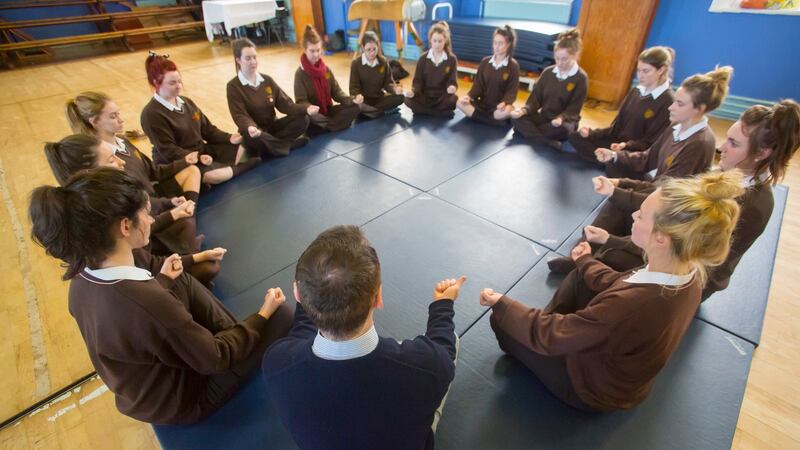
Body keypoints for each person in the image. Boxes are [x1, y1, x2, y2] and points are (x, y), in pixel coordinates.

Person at [28, 168, 293, 424]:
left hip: (143, 390)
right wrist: (263, 314)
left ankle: (236, 336)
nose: (152, 219)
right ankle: (243, 337)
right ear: (124, 226)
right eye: (146, 213)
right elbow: (215, 357)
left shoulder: (82, 276)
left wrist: (164, 280)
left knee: (181, 280)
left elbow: (137, 325)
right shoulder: (145, 301)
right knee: (282, 314)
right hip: (184, 400)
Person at [479, 171, 744, 411]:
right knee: (581, 276)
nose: (633, 216)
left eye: (640, 215)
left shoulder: (634, 304)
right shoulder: (689, 272)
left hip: (591, 390)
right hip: (621, 371)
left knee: (503, 321)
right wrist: (585, 262)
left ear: (661, 237)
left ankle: (552, 340)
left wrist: (502, 304)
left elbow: (552, 334)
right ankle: (562, 328)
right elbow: (619, 282)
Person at [560, 100, 800, 300]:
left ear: (762, 153)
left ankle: (585, 265)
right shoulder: (724, 173)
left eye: (734, 143)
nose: (722, 148)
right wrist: (624, 184)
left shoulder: (756, 205)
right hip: (672, 244)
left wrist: (615, 240)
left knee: (608, 261)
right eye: (727, 138)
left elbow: (693, 258)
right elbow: (669, 191)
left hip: (689, 274)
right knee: (619, 206)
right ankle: (584, 254)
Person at [263, 225, 461, 449]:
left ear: (297, 295)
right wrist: (442, 306)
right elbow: (444, 349)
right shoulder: (427, 365)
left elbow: (300, 335)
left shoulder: (276, 362)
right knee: (451, 338)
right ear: (378, 296)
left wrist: (313, 298)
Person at [42, 134, 223, 286]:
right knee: (204, 267)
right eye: (112, 160)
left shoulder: (110, 205)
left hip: (149, 261)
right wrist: (168, 277)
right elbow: (147, 269)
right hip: (151, 276)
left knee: (188, 231)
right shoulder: (109, 225)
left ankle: (189, 251)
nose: (121, 162)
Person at [140, 52, 261, 185]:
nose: (179, 86)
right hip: (181, 161)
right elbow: (168, 151)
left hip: (202, 151)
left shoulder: (187, 102)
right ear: (156, 83)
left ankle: (226, 170)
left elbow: (208, 130)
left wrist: (228, 138)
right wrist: (198, 158)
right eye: (172, 83)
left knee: (245, 144)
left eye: (179, 81)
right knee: (213, 174)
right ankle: (236, 169)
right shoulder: (151, 114)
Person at [594, 66, 733, 180]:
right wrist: (614, 155)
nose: (670, 107)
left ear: (700, 109)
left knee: (614, 196)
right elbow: (648, 158)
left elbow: (666, 193)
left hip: (666, 203)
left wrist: (620, 187)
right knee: (615, 164)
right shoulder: (676, 126)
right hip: (657, 188)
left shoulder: (699, 143)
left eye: (679, 104)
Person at [66, 91, 201, 203]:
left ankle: (188, 211)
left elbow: (154, 172)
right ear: (95, 122)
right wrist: (167, 204)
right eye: (113, 116)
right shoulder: (104, 159)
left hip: (153, 195)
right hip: (141, 206)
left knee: (192, 170)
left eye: (118, 113)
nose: (121, 119)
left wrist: (184, 161)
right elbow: (132, 200)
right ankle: (182, 219)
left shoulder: (123, 141)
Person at [567, 46, 675, 160]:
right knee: (576, 136)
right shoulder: (636, 91)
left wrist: (626, 145)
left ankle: (612, 160)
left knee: (618, 162)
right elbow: (616, 127)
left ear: (661, 70)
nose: (640, 75)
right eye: (638, 70)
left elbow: (651, 143)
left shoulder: (667, 100)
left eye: (646, 71)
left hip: (635, 151)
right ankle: (609, 159)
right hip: (617, 144)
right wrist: (592, 133)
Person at [226, 38, 311, 158]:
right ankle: (288, 145)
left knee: (303, 119)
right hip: (254, 132)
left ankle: (273, 147)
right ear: (238, 60)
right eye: (248, 58)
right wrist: (251, 127)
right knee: (254, 138)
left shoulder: (267, 80)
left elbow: (285, 104)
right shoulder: (233, 87)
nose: (253, 61)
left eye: (255, 57)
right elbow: (239, 115)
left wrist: (306, 108)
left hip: (272, 127)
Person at [510, 29, 588, 149]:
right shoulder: (548, 72)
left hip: (564, 122)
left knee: (562, 130)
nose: (560, 63)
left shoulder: (581, 78)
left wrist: (561, 118)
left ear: (575, 55)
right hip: (545, 117)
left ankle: (528, 134)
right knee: (516, 119)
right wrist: (523, 111)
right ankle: (547, 142)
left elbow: (574, 109)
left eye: (564, 59)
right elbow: (535, 100)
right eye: (557, 58)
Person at [294, 26, 361, 133]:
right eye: (312, 51)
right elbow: (301, 101)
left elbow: (337, 93)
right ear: (305, 50)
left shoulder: (326, 70)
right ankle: (333, 125)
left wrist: (352, 99)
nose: (316, 54)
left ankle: (326, 127)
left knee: (355, 107)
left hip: (328, 111)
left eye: (318, 50)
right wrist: (309, 108)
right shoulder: (300, 74)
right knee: (306, 119)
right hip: (314, 115)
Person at [456, 25, 520, 126]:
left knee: (508, 110)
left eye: (500, 43)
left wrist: (504, 103)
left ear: (508, 45)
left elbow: (511, 92)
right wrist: (468, 97)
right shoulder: (485, 62)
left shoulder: (513, 66)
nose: (497, 46)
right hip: (483, 105)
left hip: (499, 107)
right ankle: (491, 121)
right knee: (459, 102)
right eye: (495, 42)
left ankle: (480, 118)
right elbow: (478, 86)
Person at [404, 21, 459, 118]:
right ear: (430, 40)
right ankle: (438, 113)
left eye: (440, 41)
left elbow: (452, 81)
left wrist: (452, 87)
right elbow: (417, 81)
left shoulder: (452, 59)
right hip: (425, 97)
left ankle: (424, 111)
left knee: (453, 100)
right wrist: (413, 92)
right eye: (435, 41)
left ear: (445, 40)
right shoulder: (423, 58)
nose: (437, 45)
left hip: (442, 97)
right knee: (407, 100)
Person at [349, 31, 405, 119]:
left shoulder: (383, 61)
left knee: (401, 97)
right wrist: (357, 96)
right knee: (356, 106)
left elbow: (388, 83)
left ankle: (373, 112)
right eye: (368, 50)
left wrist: (395, 89)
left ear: (378, 47)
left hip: (379, 99)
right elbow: (353, 88)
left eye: (374, 49)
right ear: (363, 48)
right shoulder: (356, 64)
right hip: (364, 101)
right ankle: (380, 112)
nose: (372, 53)